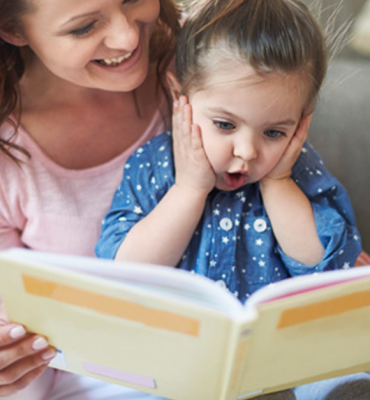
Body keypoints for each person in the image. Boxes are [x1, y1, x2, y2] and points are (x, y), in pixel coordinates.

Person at [96, 0, 370, 399]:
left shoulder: (298, 168)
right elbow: (125, 271)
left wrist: (278, 182)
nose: (247, 151)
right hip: (177, 353)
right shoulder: (154, 165)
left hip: (284, 353)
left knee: (341, 365)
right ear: (180, 97)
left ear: (302, 120)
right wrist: (189, 189)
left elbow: (324, 264)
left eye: (274, 132)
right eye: (224, 125)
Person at [0, 0, 184, 399]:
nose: (128, 36)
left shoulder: (198, 59)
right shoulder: (7, 153)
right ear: (14, 31)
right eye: (83, 28)